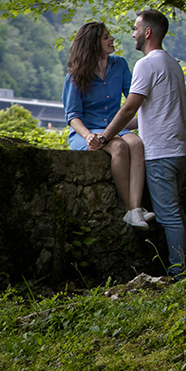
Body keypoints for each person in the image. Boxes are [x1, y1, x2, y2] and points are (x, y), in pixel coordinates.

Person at [96, 10, 186, 277]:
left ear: (148, 32)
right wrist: (108, 128)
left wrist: (104, 138)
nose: (132, 33)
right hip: (181, 150)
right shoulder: (172, 63)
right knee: (176, 209)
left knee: (168, 215)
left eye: (136, 28)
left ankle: (179, 272)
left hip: (161, 152)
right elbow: (145, 116)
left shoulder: (146, 64)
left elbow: (129, 109)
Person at [62, 21, 154, 230]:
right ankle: (130, 209)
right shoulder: (75, 76)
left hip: (115, 127)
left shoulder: (119, 64)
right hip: (87, 131)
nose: (112, 39)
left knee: (136, 143)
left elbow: (133, 97)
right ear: (93, 44)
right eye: (105, 37)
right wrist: (87, 136)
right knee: (120, 147)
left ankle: (136, 209)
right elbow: (73, 116)